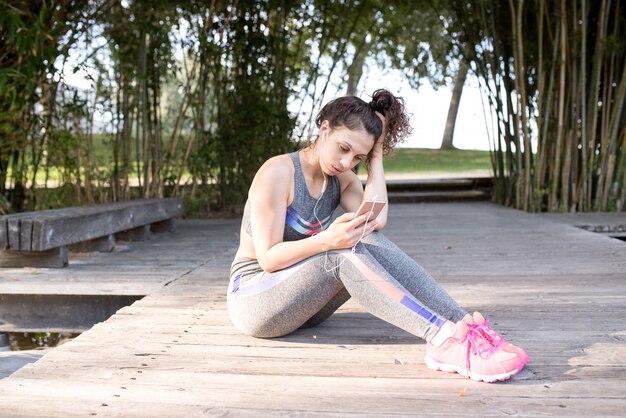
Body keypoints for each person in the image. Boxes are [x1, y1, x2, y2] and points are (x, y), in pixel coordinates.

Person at [227, 88, 528, 383]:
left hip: (306, 306)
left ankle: (462, 324)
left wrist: (377, 156)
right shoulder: (278, 172)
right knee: (340, 256)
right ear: (324, 128)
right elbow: (267, 259)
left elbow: (377, 220)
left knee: (364, 234)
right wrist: (327, 241)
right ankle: (440, 338)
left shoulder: (340, 177)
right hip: (256, 302)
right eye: (343, 148)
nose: (346, 163)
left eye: (357, 157)